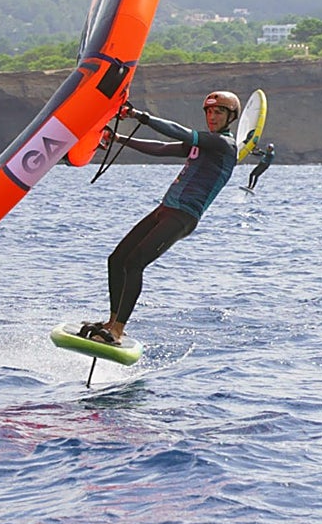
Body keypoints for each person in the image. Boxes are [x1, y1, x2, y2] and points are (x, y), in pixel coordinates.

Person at [81, 91, 240, 346]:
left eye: (219, 112)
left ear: (231, 117)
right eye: (209, 112)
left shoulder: (223, 144)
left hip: (184, 215)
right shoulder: (206, 143)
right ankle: (111, 322)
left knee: (134, 263)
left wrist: (139, 116)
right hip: (166, 208)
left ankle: (118, 332)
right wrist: (119, 138)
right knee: (117, 259)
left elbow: (180, 133)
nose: (212, 117)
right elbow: (162, 148)